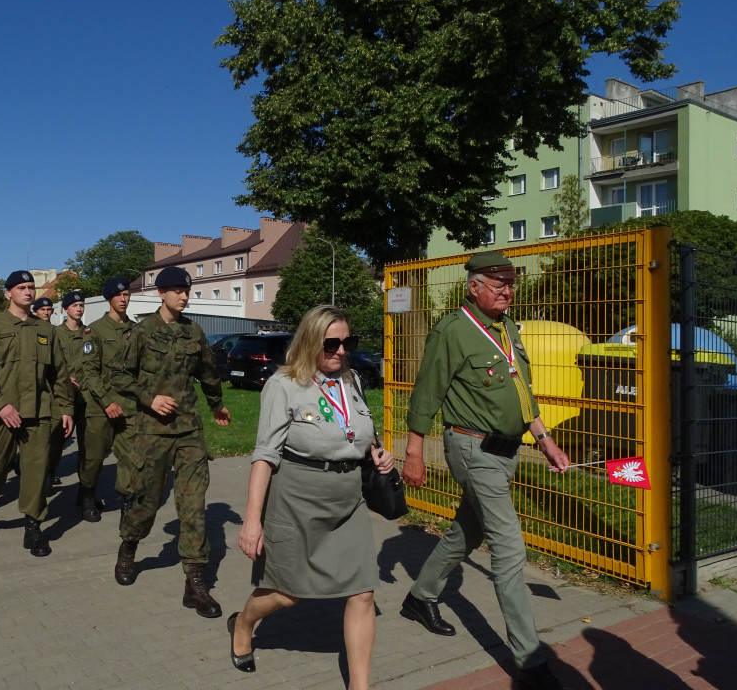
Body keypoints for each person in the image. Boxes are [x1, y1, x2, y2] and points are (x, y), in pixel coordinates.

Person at [401, 251, 572, 690]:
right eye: (498, 286)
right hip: (472, 447)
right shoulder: (453, 331)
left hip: (508, 450)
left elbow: (522, 391)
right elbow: (426, 393)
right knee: (510, 550)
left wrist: (546, 440)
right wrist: (414, 452)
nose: (507, 292)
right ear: (473, 286)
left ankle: (420, 597)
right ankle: (530, 660)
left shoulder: (507, 327)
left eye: (510, 285)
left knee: (467, 531)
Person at [228, 305, 394, 686]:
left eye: (347, 342)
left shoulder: (351, 381)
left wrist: (378, 454)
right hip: (296, 499)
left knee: (362, 592)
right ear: (309, 342)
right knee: (287, 595)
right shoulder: (284, 384)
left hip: (347, 500)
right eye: (330, 343)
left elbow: (359, 433)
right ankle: (243, 624)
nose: (340, 350)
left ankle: (360, 685)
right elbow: (265, 457)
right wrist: (252, 521)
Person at [111, 265, 230, 618]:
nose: (184, 295)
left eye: (186, 289)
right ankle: (129, 546)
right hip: (152, 430)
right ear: (161, 293)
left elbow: (208, 373)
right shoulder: (143, 330)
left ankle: (194, 582)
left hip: (189, 429)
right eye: (176, 289)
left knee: (193, 505)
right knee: (146, 501)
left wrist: (217, 404)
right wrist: (149, 398)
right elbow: (119, 373)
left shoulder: (194, 331)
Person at [0, 270, 74, 556]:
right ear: (8, 293)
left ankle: (33, 527)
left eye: (31, 287)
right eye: (21, 288)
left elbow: (59, 374)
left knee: (36, 472)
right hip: (1, 412)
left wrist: (65, 408)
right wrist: (0, 404)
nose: (28, 292)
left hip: (38, 414)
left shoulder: (46, 330)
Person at [79, 277, 137, 521]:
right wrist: (106, 401)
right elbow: (89, 372)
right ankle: (87, 494)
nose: (123, 299)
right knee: (94, 458)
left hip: (129, 406)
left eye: (126, 295)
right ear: (108, 299)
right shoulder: (95, 330)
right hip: (101, 407)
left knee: (130, 457)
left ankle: (127, 501)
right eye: (118, 295)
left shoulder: (135, 329)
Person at [51, 292, 93, 516]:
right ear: (65, 309)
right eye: (74, 305)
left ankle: (86, 494)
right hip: (62, 398)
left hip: (86, 399)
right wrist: (65, 378)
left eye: (81, 305)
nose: (79, 308)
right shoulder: (55, 334)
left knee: (88, 448)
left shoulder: (90, 333)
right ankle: (47, 478)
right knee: (55, 443)